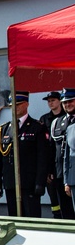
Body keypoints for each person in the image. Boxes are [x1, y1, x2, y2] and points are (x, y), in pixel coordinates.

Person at [0, 92, 47, 217]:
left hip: (29, 183)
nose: (15, 107)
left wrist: (40, 182)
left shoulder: (37, 127)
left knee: (31, 218)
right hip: (11, 182)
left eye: (18, 104)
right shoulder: (4, 129)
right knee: (14, 218)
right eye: (12, 105)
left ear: (27, 104)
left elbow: (42, 158)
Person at [41, 91, 69, 219]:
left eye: (53, 100)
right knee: (54, 199)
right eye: (48, 101)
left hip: (66, 164)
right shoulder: (44, 119)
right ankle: (57, 218)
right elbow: (45, 147)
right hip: (52, 164)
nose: (50, 103)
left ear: (59, 101)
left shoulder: (67, 117)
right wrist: (47, 170)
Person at [52, 89, 75, 219]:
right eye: (65, 102)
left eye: (70, 101)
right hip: (61, 173)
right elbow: (52, 149)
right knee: (66, 214)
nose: (67, 105)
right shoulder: (57, 122)